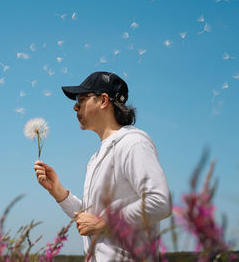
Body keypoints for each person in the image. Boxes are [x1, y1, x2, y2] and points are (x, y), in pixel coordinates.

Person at [34, 71, 171, 261]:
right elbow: (91, 219)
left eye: (81, 99)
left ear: (103, 100)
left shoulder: (133, 144)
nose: (75, 107)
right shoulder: (95, 158)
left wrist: (103, 223)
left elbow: (160, 202)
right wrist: (58, 191)